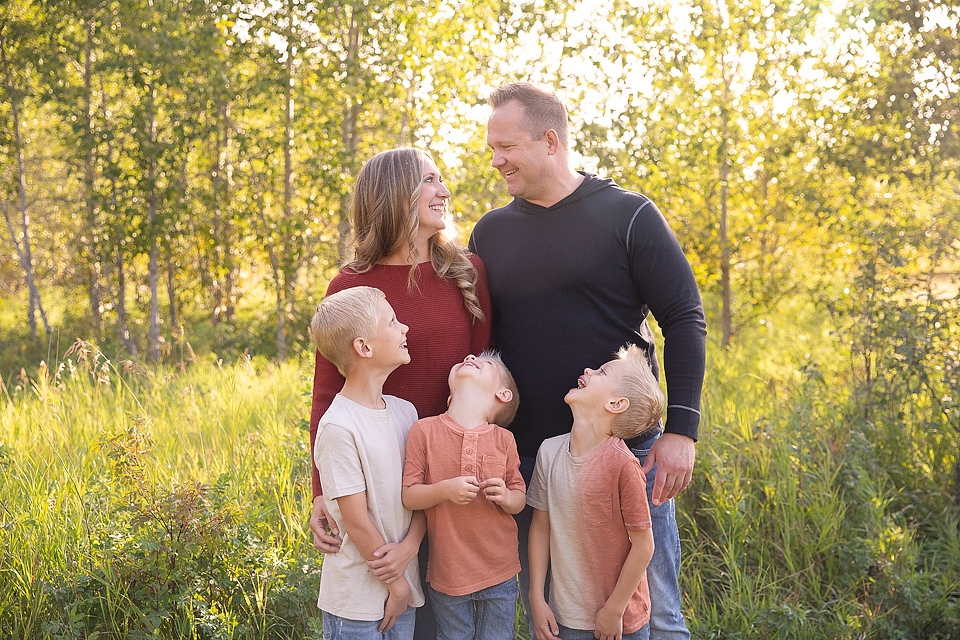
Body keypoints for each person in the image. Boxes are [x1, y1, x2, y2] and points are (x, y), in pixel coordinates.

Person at [468, 81, 707, 639]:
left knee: (655, 611)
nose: (497, 161)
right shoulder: (491, 232)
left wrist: (683, 432)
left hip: (626, 452)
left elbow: (684, 318)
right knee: (557, 614)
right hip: (532, 460)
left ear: (550, 140)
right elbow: (478, 338)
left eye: (507, 147)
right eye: (491, 150)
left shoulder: (628, 216)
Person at [309, 148, 493, 639]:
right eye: (429, 181)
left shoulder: (467, 273)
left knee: (449, 621)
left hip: (455, 483)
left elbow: (486, 374)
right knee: (389, 604)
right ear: (396, 197)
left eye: (441, 178)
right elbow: (328, 395)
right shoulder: (351, 286)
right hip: (380, 482)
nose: (444, 190)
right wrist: (320, 490)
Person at [309, 285, 426, 638]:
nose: (404, 328)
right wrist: (397, 586)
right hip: (356, 604)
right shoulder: (338, 427)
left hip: (404, 591)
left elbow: (420, 493)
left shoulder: (406, 413)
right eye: (392, 322)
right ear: (364, 347)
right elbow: (357, 523)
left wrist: (410, 547)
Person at [527, 344, 664, 640]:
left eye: (602, 371)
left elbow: (644, 546)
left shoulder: (624, 466)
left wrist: (614, 611)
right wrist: (537, 598)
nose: (588, 369)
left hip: (618, 622)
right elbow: (540, 528)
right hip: (565, 618)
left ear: (616, 404)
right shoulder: (549, 452)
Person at [402, 350, 525, 640]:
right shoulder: (423, 431)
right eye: (469, 358)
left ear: (503, 394)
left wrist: (506, 497)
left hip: (500, 570)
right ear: (449, 395)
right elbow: (409, 495)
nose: (470, 356)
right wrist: (445, 490)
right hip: (449, 575)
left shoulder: (504, 439)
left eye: (488, 363)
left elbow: (519, 497)